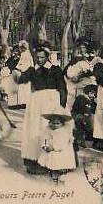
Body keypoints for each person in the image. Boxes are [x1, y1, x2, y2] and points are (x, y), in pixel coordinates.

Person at [14, 45, 66, 174]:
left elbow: (62, 88)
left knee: (48, 129)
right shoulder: (32, 70)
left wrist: (61, 105)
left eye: (42, 57)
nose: (39, 60)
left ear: (47, 57)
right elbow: (21, 79)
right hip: (36, 103)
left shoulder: (55, 70)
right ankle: (35, 159)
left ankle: (52, 162)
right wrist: (14, 67)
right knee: (34, 129)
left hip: (51, 101)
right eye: (37, 57)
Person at [38, 106, 76, 184]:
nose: (55, 125)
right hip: (50, 148)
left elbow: (62, 143)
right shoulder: (48, 129)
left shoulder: (63, 131)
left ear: (62, 123)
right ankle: (53, 173)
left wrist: (53, 147)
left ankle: (61, 174)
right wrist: (45, 145)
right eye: (53, 123)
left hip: (61, 151)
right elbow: (44, 138)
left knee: (58, 162)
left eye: (57, 123)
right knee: (50, 161)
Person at [64, 40, 96, 111]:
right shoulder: (74, 61)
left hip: (87, 86)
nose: (81, 49)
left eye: (83, 47)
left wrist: (81, 75)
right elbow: (68, 73)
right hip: (75, 87)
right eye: (80, 48)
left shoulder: (91, 60)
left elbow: (92, 71)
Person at [71, 84, 97, 149]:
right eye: (92, 93)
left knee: (89, 124)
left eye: (95, 94)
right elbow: (77, 108)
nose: (93, 96)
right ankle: (79, 140)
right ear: (87, 92)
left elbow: (93, 109)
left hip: (86, 117)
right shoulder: (81, 98)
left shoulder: (91, 101)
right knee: (80, 124)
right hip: (78, 115)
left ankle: (86, 140)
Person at [15, 40, 34, 108]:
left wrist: (19, 67)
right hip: (26, 72)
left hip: (26, 73)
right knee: (24, 88)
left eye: (20, 48)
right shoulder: (26, 54)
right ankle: (24, 102)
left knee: (24, 88)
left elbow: (25, 64)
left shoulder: (26, 54)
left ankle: (24, 102)